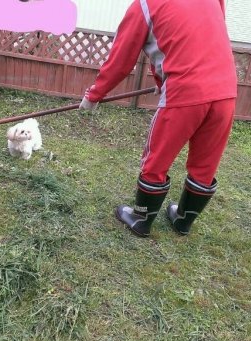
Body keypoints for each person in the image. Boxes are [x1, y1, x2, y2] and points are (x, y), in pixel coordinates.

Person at [80, 0, 237, 237]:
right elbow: (194, 39)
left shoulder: (143, 5)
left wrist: (93, 96)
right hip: (226, 91)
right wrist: (161, 81)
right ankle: (183, 221)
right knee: (205, 163)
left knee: (156, 160)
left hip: (185, 91)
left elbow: (120, 62)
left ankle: (141, 218)